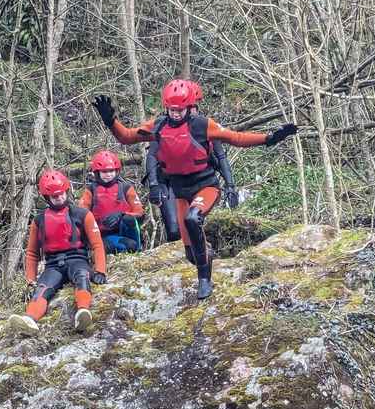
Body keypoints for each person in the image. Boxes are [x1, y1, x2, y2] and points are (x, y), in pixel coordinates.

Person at [93, 79, 296, 298]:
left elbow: (235, 138)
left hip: (205, 186)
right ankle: (205, 256)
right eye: (172, 109)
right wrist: (110, 121)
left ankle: (204, 280)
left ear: (190, 107)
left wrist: (269, 138)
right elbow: (126, 137)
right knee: (191, 254)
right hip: (180, 191)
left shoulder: (202, 125)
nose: (175, 114)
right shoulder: (159, 126)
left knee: (193, 218)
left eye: (180, 110)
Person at [13, 169, 107, 333]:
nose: (59, 198)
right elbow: (32, 253)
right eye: (54, 196)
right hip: (53, 265)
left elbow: (97, 244)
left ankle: (83, 312)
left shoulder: (82, 214)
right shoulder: (39, 221)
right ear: (47, 197)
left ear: (66, 191)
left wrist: (100, 270)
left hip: (78, 260)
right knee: (42, 288)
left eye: (62, 194)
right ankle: (30, 319)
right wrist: (30, 280)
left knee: (82, 276)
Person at [146, 136, 239, 244]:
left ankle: (202, 249)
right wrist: (153, 185)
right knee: (174, 231)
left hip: (201, 181)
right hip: (169, 181)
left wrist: (230, 186)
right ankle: (185, 250)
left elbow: (220, 156)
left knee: (193, 220)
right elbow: (152, 155)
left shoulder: (207, 129)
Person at [79, 149, 145, 254]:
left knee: (129, 220)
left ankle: (137, 248)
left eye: (111, 171)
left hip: (125, 231)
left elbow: (139, 212)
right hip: (103, 234)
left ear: (116, 171)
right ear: (97, 173)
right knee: (108, 247)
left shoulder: (126, 188)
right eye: (104, 172)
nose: (108, 174)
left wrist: (121, 215)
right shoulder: (90, 190)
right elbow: (81, 214)